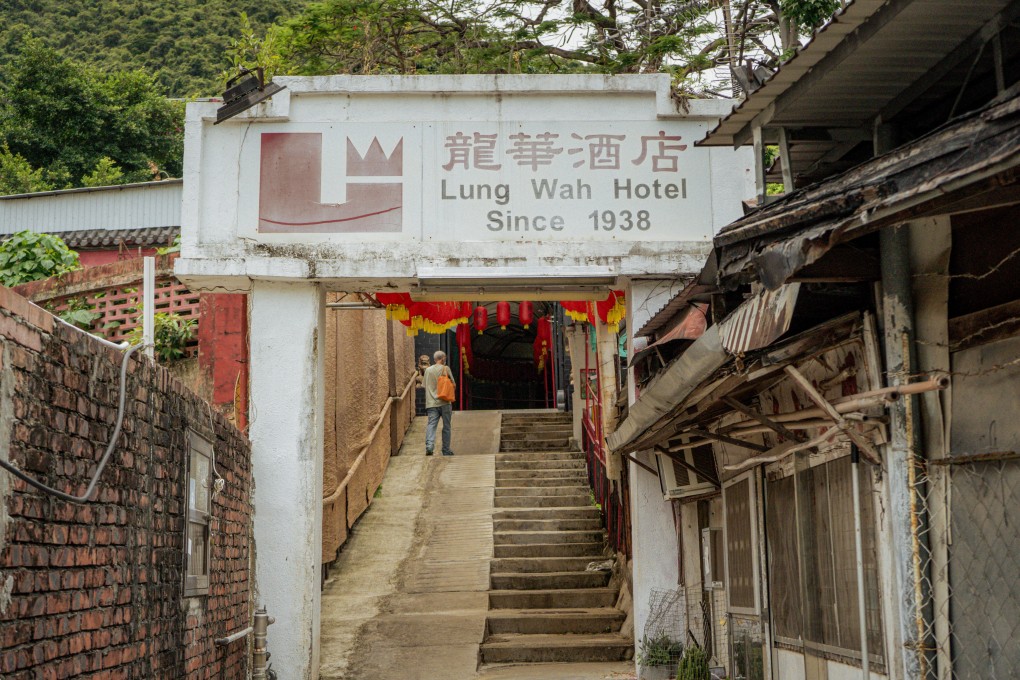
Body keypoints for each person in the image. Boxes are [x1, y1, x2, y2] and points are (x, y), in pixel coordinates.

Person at [423, 350, 455, 456]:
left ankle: (429, 446)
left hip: (431, 403)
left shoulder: (428, 370)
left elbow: (424, 385)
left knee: (431, 425)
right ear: (443, 358)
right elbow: (453, 384)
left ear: (435, 359)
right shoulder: (446, 369)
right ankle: (445, 450)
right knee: (446, 427)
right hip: (445, 402)